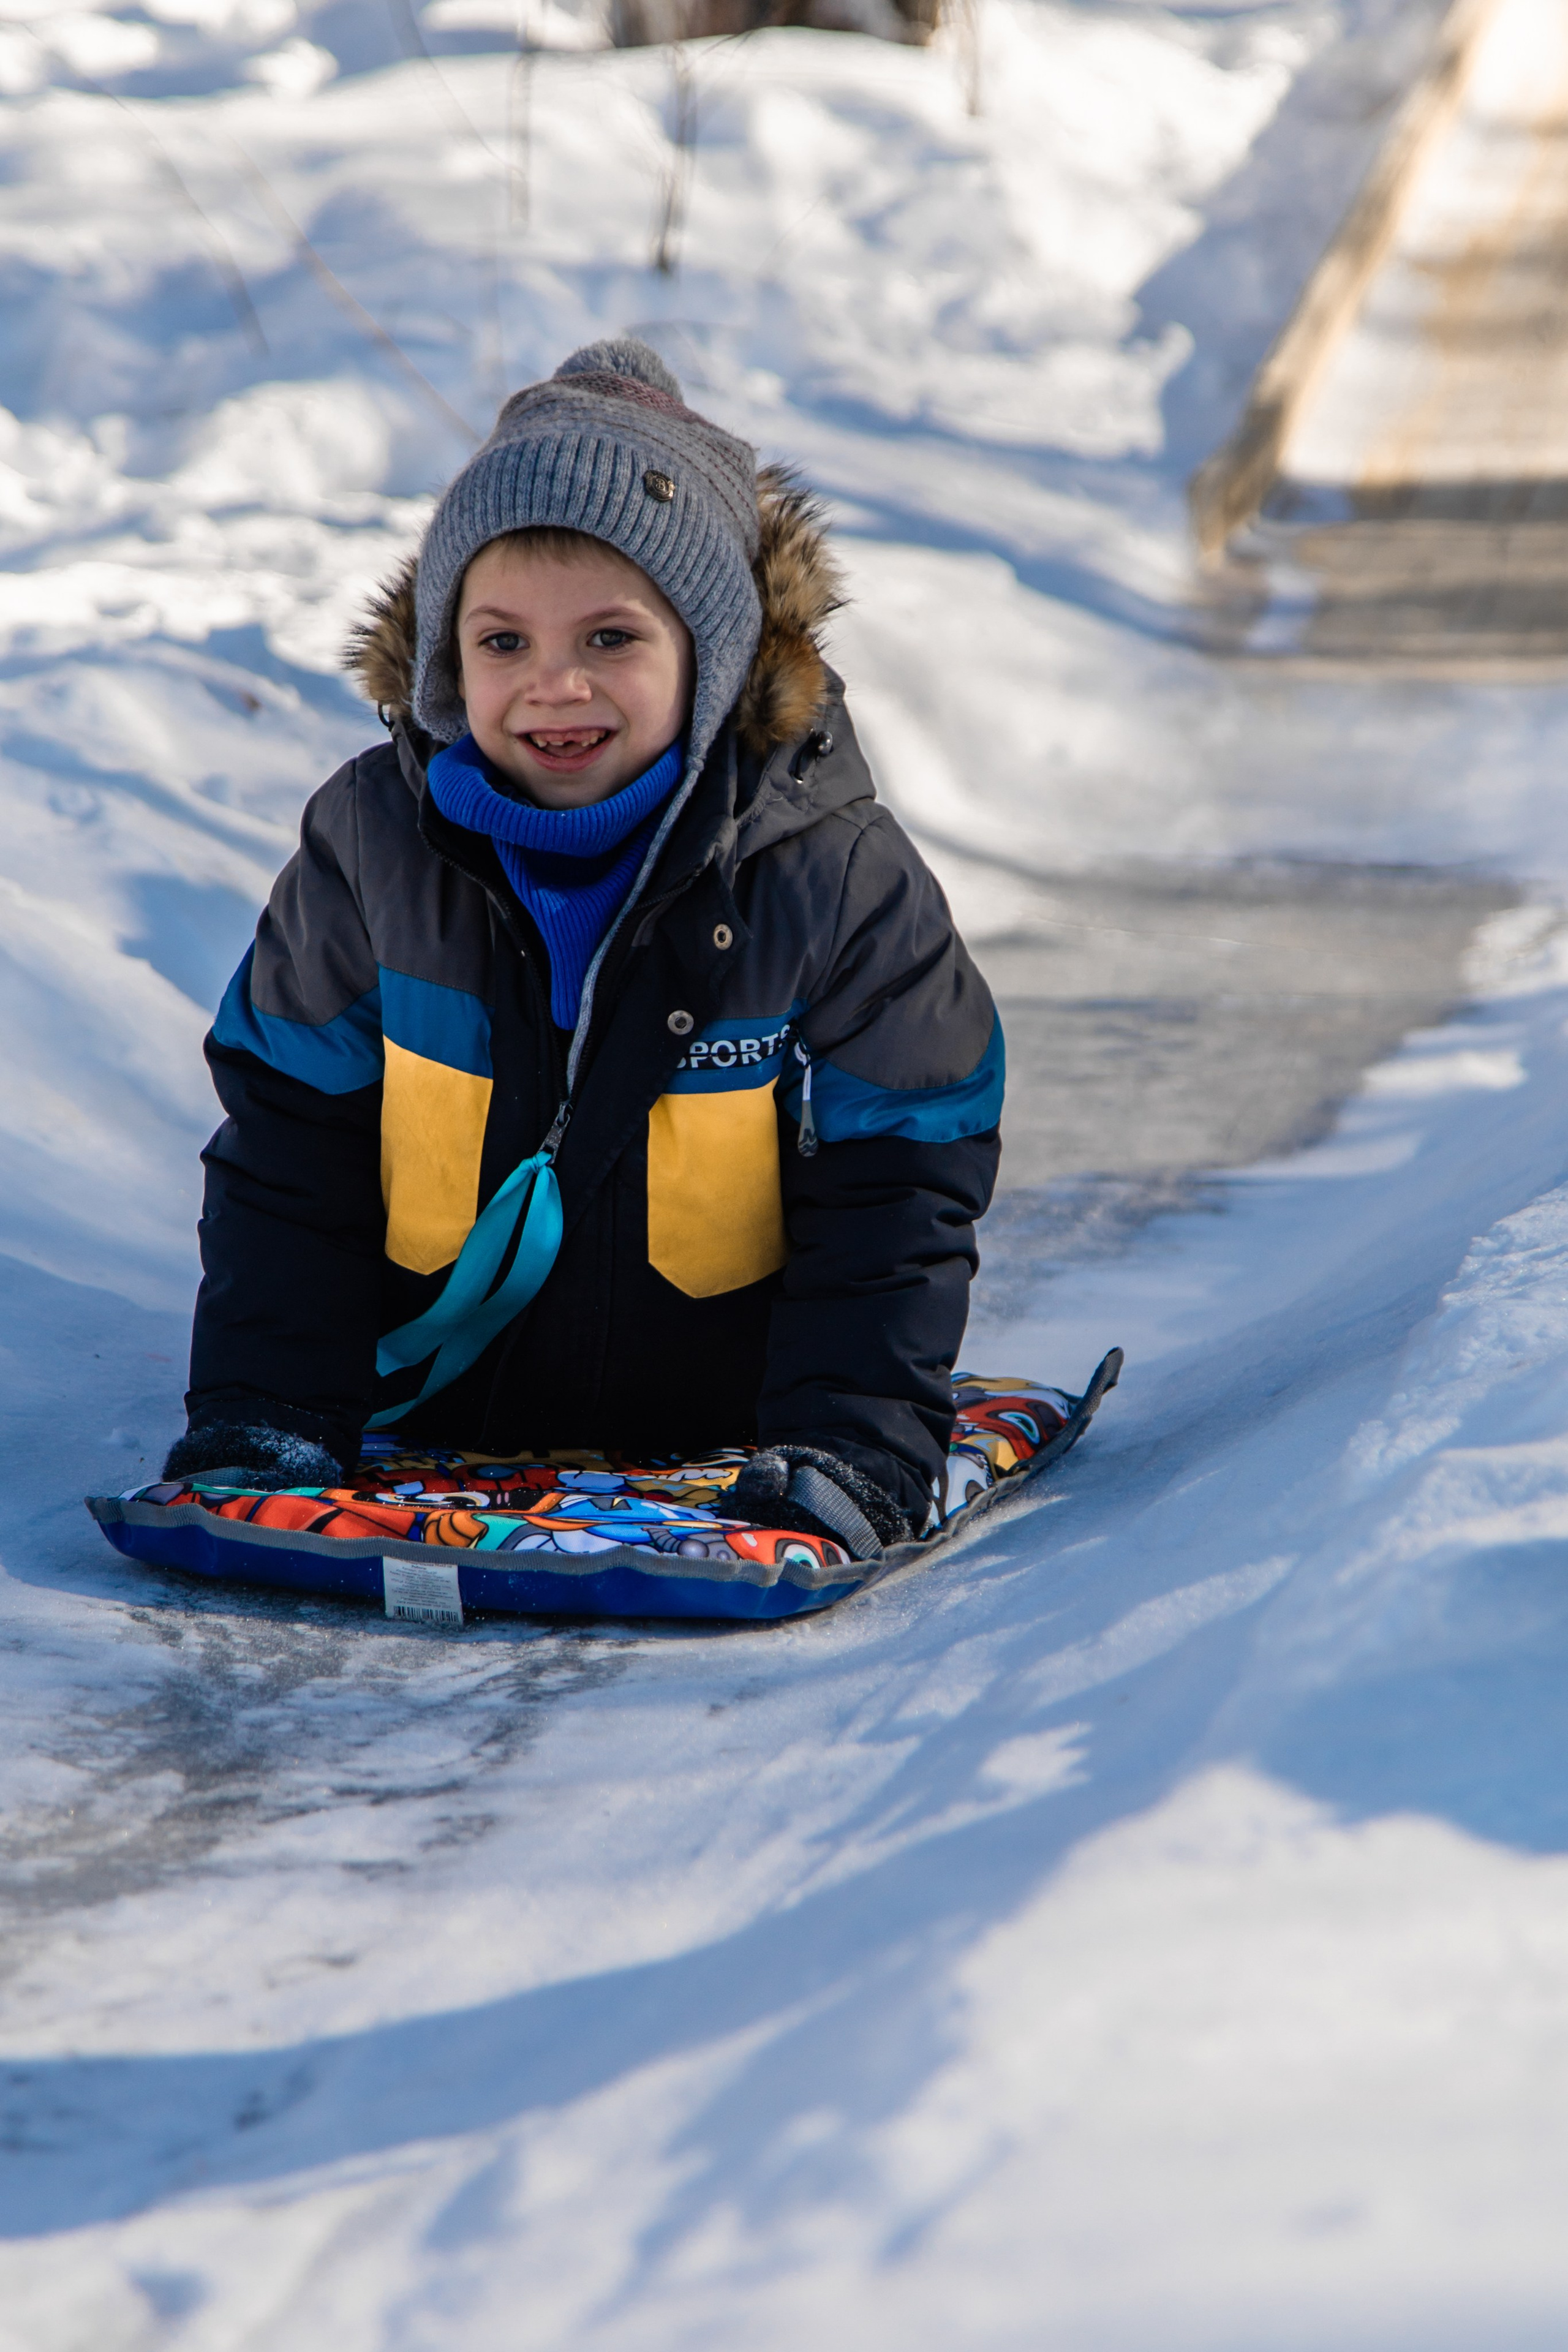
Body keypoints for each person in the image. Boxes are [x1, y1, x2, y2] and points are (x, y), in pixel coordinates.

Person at [162, 339, 1004, 1561]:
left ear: (712, 657)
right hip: (431, 1398)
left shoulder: (831, 879)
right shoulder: (370, 849)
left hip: (732, 1420)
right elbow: (290, 1149)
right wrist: (269, 1413)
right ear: (446, 658)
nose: (553, 686)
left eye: (610, 639)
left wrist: (851, 1444)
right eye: (502, 643)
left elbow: (900, 1182)